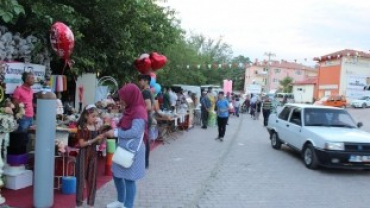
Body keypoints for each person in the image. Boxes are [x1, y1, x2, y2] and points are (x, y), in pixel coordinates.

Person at [105, 84, 147, 208]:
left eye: (123, 97)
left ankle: (128, 205)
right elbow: (125, 123)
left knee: (129, 179)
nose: (121, 99)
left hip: (133, 151)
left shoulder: (139, 110)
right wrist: (116, 121)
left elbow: (135, 132)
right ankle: (120, 201)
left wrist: (116, 133)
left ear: (130, 96)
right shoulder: (130, 108)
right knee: (116, 174)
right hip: (123, 149)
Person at [75, 104, 106, 208]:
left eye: (95, 116)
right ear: (86, 116)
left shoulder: (95, 126)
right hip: (83, 154)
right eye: (93, 116)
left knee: (92, 180)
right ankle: (79, 204)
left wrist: (102, 136)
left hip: (93, 155)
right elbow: (81, 144)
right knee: (81, 179)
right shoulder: (81, 127)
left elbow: (99, 143)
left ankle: (90, 204)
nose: (95, 118)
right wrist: (95, 139)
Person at [12, 71, 35, 144]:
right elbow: (15, 104)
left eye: (33, 78)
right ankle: (18, 154)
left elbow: (30, 102)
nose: (33, 80)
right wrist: (20, 114)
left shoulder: (31, 90)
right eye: (31, 78)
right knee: (20, 138)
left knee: (27, 139)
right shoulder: (18, 90)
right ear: (26, 80)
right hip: (23, 118)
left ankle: (24, 154)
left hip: (31, 117)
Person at [138, 74, 153, 169]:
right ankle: (144, 162)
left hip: (145, 118)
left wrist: (138, 109)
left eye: (140, 80)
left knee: (144, 140)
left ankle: (144, 162)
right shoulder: (147, 91)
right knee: (144, 140)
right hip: (146, 118)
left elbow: (149, 107)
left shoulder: (146, 92)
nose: (139, 82)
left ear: (146, 81)